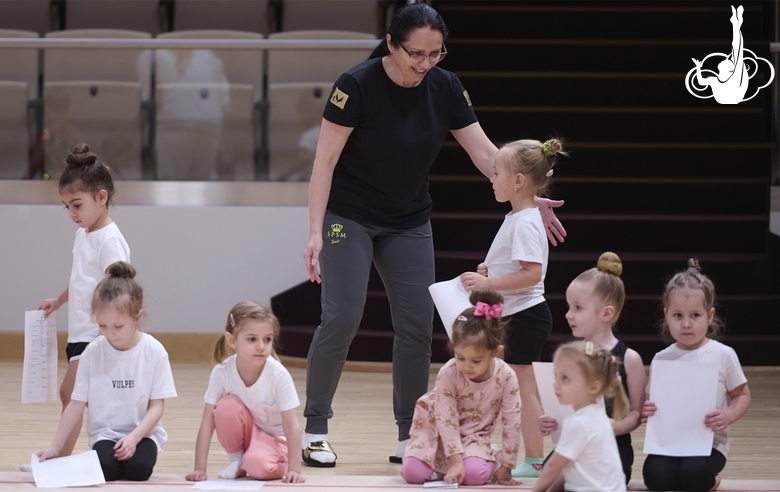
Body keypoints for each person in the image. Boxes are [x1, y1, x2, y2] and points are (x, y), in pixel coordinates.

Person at [301, 3, 566, 467]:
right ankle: (316, 427)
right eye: (415, 53)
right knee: (342, 317)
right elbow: (323, 162)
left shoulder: (445, 86)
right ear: (390, 44)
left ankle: (412, 433)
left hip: (408, 220)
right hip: (348, 217)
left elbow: (487, 155)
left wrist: (527, 196)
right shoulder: (356, 85)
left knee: (416, 327)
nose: (424, 64)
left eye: (435, 54)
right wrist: (314, 232)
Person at [459, 138, 564, 477]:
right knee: (505, 387)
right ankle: (504, 453)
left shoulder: (525, 222)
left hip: (525, 316)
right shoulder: (518, 217)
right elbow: (516, 267)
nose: (491, 179)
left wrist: (489, 284)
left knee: (521, 391)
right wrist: (490, 272)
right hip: (514, 315)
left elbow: (532, 274)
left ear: (517, 181)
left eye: (496, 173)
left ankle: (535, 460)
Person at [36, 262, 177, 481]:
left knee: (138, 470)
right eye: (102, 326)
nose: (109, 334)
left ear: (138, 317)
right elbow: (76, 404)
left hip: (143, 434)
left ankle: (135, 451)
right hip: (106, 435)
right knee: (106, 470)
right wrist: (55, 446)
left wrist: (134, 438)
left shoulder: (154, 351)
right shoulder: (92, 352)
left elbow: (157, 407)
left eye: (118, 326)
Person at [38, 143, 131, 458]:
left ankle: (60, 457)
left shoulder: (110, 241)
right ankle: (67, 455)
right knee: (76, 396)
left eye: (77, 204)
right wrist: (59, 300)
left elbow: (117, 289)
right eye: (66, 207)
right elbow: (82, 280)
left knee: (71, 393)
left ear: (101, 197)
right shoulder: (85, 234)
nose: (72, 214)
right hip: (80, 332)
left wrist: (110, 331)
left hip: (96, 334)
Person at [642, 260, 751, 492]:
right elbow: (655, 401)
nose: (686, 324)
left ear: (710, 316)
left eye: (695, 315)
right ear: (666, 315)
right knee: (655, 478)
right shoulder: (662, 358)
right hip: (670, 444)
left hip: (710, 445)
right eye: (678, 315)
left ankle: (713, 480)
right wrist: (647, 410)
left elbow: (741, 394)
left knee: (694, 476)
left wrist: (728, 415)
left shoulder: (722, 355)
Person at [538, 252, 645, 483]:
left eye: (578, 308)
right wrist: (550, 419)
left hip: (612, 448)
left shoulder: (630, 358)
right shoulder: (572, 355)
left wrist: (616, 426)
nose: (568, 315)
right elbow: (562, 402)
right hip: (575, 445)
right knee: (551, 474)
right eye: (569, 307)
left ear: (607, 313)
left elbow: (637, 413)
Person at [401, 289, 520, 486]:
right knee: (412, 474)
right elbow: (445, 419)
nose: (466, 366)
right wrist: (456, 461)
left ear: (495, 353)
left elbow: (512, 422)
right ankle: (449, 463)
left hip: (474, 437)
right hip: (437, 430)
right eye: (460, 357)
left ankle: (482, 455)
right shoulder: (449, 371)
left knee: (474, 477)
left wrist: (506, 465)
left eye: (476, 360)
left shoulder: (507, 376)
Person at [186, 302, 305, 484]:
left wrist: (294, 470)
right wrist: (199, 468)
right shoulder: (222, 372)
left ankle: (276, 460)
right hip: (251, 434)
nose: (261, 347)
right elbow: (207, 422)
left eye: (267, 339)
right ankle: (238, 461)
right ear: (232, 340)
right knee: (226, 406)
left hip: (276, 440)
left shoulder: (278, 375)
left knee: (257, 467)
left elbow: (291, 426)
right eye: (252, 339)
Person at [532, 341, 628, 492]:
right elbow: (568, 466)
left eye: (565, 378)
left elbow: (553, 467)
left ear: (594, 387)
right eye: (556, 376)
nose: (556, 384)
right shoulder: (597, 414)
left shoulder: (579, 423)